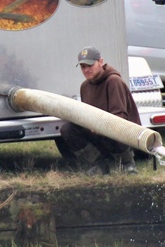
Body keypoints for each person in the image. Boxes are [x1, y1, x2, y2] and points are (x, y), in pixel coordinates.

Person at [59, 46, 141, 175]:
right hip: (98, 132)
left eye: (90, 65)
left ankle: (126, 164)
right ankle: (98, 165)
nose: (86, 70)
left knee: (116, 126)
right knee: (67, 129)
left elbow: (120, 117)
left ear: (101, 62)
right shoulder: (85, 86)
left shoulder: (114, 81)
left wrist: (101, 126)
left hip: (121, 133)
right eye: (83, 67)